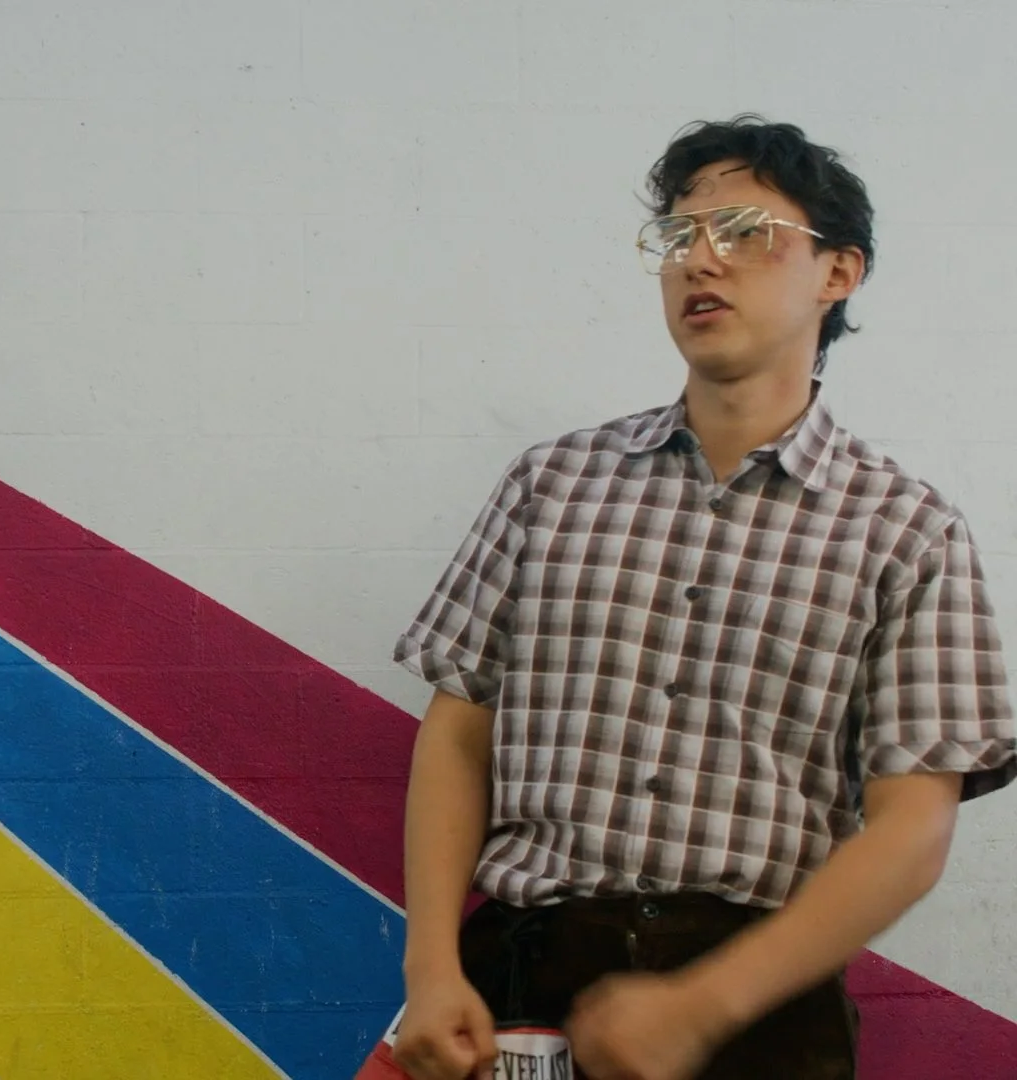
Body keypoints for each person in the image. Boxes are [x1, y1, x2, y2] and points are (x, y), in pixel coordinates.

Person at [385, 114, 1017, 1080]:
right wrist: (430, 966)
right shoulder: (552, 483)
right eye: (679, 238)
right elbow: (459, 730)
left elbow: (913, 823)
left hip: (759, 1008)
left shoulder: (906, 529)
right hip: (519, 985)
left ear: (838, 273)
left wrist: (705, 1005)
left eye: (745, 232)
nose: (700, 262)